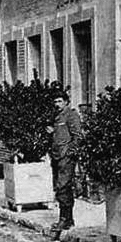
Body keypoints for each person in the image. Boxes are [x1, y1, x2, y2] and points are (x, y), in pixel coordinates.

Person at [46, 91, 83, 231]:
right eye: (55, 102)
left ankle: (64, 219)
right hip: (57, 156)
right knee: (61, 187)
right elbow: (59, 136)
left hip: (66, 157)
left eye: (60, 101)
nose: (57, 104)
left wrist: (70, 152)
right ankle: (69, 219)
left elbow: (78, 136)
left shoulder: (71, 115)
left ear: (66, 102)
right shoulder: (56, 117)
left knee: (63, 187)